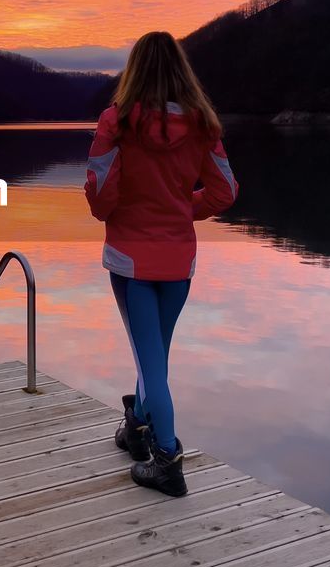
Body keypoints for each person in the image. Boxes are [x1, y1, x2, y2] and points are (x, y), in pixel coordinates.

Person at [84, 31, 238, 497]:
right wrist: (178, 207)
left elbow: (100, 198)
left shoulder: (117, 123)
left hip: (131, 261)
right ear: (181, 71)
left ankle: (167, 458)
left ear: (134, 71)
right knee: (153, 355)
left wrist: (136, 206)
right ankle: (135, 429)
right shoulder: (203, 124)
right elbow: (225, 192)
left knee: (151, 362)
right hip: (177, 261)